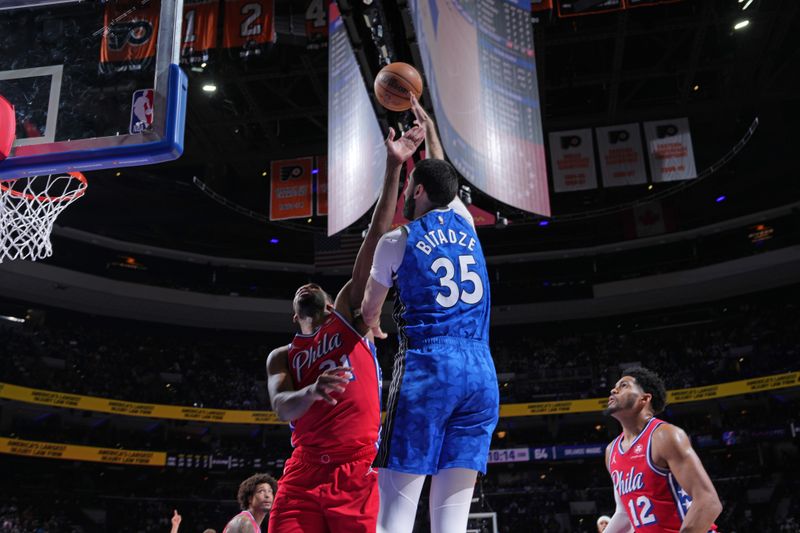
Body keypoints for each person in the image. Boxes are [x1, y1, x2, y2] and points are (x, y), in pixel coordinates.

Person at [265, 122, 426, 533]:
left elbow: (376, 236)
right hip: (301, 474)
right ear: (293, 313)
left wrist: (394, 167)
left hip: (354, 471)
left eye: (315, 285)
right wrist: (313, 390)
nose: (309, 286)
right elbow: (282, 406)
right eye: (303, 288)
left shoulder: (348, 317)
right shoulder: (282, 357)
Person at [361, 95, 499, 533]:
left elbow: (369, 310)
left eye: (407, 186)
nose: (405, 191)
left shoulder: (396, 239)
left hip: (429, 368)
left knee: (395, 518)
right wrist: (430, 129)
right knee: (451, 525)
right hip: (481, 374)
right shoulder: (466, 223)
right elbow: (444, 178)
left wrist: (371, 325)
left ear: (417, 190)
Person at [603, 367, 722, 533]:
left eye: (624, 385)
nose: (613, 389)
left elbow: (709, 502)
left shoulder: (664, 436)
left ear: (644, 399)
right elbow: (624, 515)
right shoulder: (611, 451)